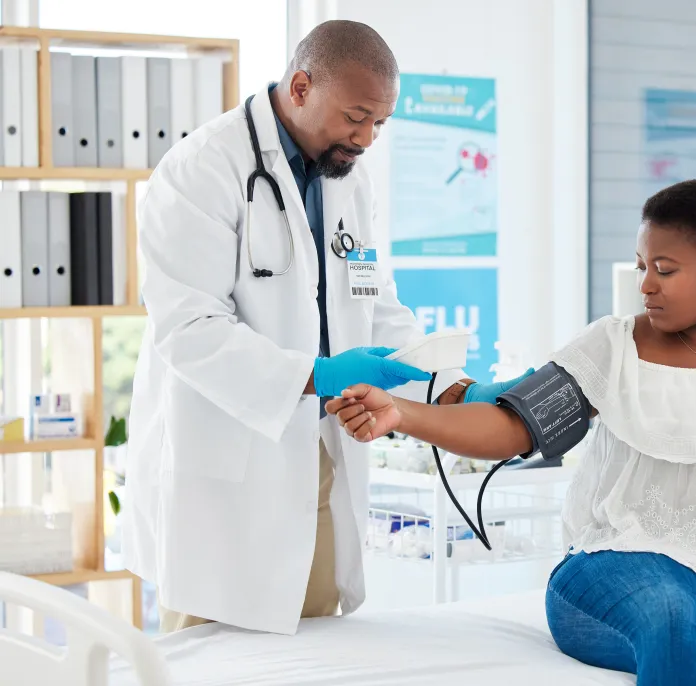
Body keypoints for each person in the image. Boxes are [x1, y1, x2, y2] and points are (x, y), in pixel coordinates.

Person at [329, 180, 696, 685]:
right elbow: (512, 425)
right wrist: (402, 413)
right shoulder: (613, 347)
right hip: (619, 560)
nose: (645, 285)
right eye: (641, 266)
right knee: (677, 623)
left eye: (665, 269)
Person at [122, 20, 527, 635]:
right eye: (356, 117)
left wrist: (450, 386)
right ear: (303, 85)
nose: (366, 138)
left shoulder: (346, 176)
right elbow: (189, 328)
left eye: (380, 124)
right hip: (223, 467)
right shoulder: (202, 170)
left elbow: (374, 300)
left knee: (311, 651)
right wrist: (317, 374)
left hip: (316, 461)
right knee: (210, 657)